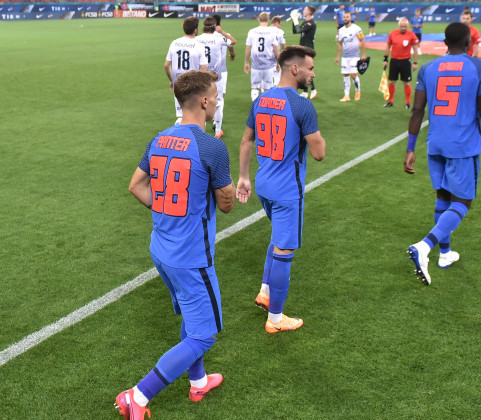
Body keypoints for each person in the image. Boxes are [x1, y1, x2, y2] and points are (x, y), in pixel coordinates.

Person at [117, 70, 235, 419]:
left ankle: (197, 381)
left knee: (191, 315)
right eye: (214, 95)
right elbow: (226, 202)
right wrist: (226, 193)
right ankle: (137, 396)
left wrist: (169, 209)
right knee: (205, 334)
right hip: (191, 256)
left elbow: (136, 186)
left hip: (162, 248)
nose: (216, 100)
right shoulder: (212, 146)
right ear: (202, 101)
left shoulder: (160, 138)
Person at [404, 22, 481, 286]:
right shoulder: (480, 67)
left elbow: (416, 111)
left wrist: (410, 148)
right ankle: (425, 247)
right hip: (463, 145)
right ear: (470, 42)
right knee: (463, 202)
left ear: (445, 42)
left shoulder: (428, 68)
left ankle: (445, 254)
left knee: (443, 197)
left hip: (435, 143)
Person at [237, 46, 326, 333]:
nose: (313, 73)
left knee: (277, 238)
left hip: (264, 183)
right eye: (310, 68)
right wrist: (312, 128)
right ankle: (275, 319)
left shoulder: (261, 99)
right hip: (288, 189)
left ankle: (265, 291)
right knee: (285, 249)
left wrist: (243, 177)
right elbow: (319, 153)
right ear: (295, 69)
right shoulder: (302, 105)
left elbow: (246, 140)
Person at [196, 16, 236, 139]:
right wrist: (221, 32)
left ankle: (200, 129)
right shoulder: (219, 38)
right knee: (218, 102)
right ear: (214, 27)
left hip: (202, 76)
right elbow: (233, 41)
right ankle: (218, 131)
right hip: (216, 77)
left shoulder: (197, 39)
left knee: (201, 102)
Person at [165, 17, 208, 124]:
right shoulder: (199, 45)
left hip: (178, 83)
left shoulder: (174, 43)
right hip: (193, 85)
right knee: (197, 116)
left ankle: (176, 137)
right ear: (195, 30)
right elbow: (204, 71)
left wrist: (172, 81)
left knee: (181, 116)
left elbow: (166, 65)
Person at [383, 18, 419, 109]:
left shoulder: (411, 34)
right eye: (401, 26)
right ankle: (390, 101)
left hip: (405, 61)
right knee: (391, 82)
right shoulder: (392, 33)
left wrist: (415, 62)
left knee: (406, 83)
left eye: (405, 26)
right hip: (394, 61)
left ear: (408, 26)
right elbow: (388, 46)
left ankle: (407, 103)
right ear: (398, 26)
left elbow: (415, 49)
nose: (403, 28)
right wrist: (385, 59)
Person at [244, 13, 281, 101]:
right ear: (268, 20)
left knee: (255, 88)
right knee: (267, 88)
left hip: (255, 65)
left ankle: (255, 107)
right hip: (268, 65)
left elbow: (248, 49)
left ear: (259, 20)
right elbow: (276, 50)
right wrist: (278, 63)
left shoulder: (252, 31)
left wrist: (246, 62)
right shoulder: (272, 32)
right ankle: (265, 109)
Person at [211, 15, 236, 135]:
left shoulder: (207, 37)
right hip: (222, 71)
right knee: (220, 97)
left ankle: (210, 118)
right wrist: (232, 54)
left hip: (208, 71)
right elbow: (232, 44)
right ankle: (217, 123)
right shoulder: (224, 36)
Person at [336, 11, 367, 102]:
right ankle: (346, 96)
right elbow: (340, 44)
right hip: (345, 57)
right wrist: (338, 57)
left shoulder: (357, 28)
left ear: (350, 18)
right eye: (344, 17)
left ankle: (357, 91)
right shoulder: (341, 30)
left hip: (355, 56)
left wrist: (363, 54)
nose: (345, 18)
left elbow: (363, 41)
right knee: (345, 75)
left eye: (347, 17)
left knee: (353, 75)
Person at [291, 5, 318, 99]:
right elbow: (295, 31)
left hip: (308, 49)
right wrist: (294, 20)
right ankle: (306, 91)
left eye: (305, 10)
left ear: (310, 12)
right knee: (303, 70)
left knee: (306, 70)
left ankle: (313, 89)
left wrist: (295, 20)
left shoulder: (311, 23)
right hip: (303, 49)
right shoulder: (306, 22)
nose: (303, 11)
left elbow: (298, 30)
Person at [270, 16, 287, 86]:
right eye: (280, 24)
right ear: (277, 23)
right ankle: (275, 96)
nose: (280, 26)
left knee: (265, 81)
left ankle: (265, 96)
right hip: (276, 59)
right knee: (277, 79)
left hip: (265, 59)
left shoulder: (264, 30)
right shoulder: (280, 32)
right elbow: (284, 47)